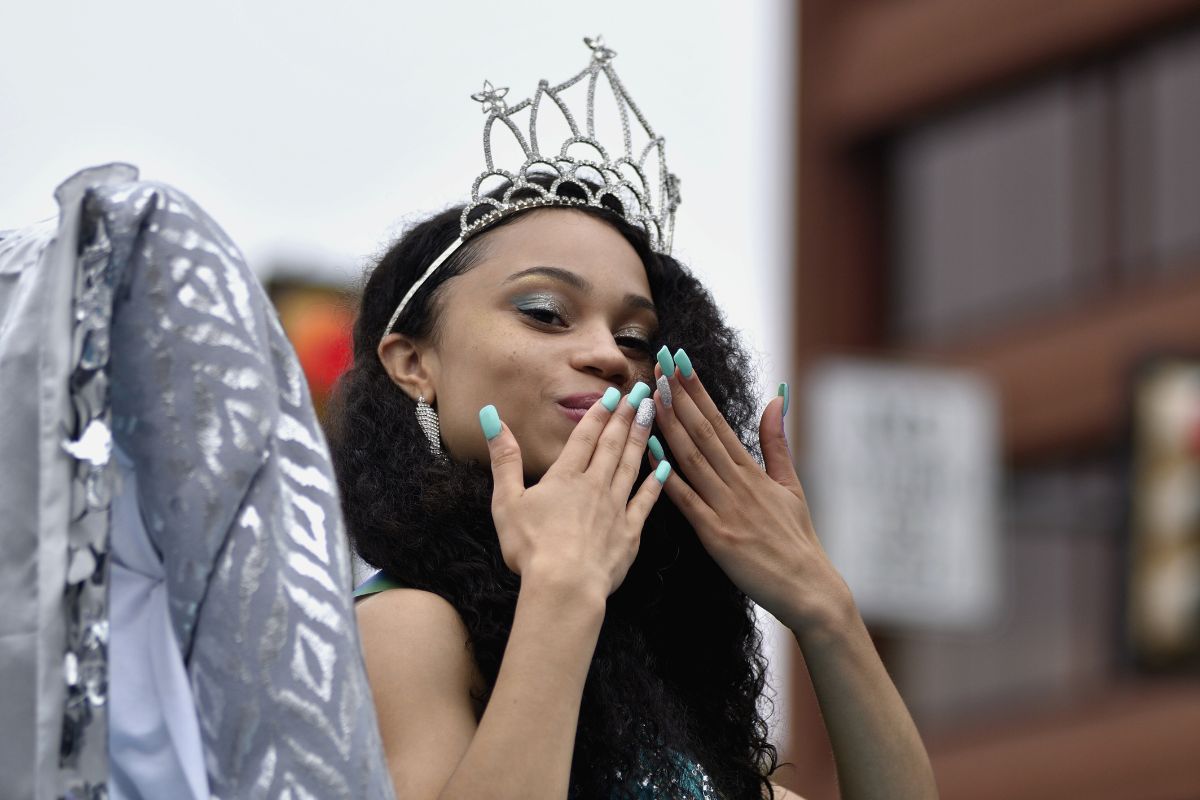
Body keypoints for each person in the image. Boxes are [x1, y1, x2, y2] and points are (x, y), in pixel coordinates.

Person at [331, 38, 938, 800]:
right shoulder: (406, 626)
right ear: (413, 362)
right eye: (546, 313)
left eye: (636, 338)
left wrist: (824, 607)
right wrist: (563, 589)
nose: (610, 358)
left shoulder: (658, 698)